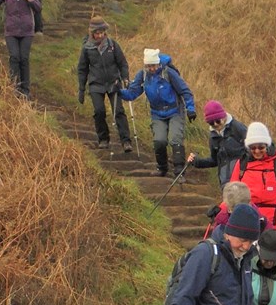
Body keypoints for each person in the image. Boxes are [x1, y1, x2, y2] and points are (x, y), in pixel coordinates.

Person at [121, 49, 195, 177]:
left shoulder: (169, 73)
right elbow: (132, 94)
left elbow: (185, 91)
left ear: (158, 64)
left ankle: (179, 170)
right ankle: (162, 168)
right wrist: (118, 91)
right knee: (159, 141)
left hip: (175, 111)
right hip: (157, 113)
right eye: (149, 66)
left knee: (175, 139)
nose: (152, 69)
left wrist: (190, 109)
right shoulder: (143, 75)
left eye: (153, 66)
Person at [228, 122, 276, 247]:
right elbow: (231, 196)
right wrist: (220, 211)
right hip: (247, 222)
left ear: (267, 145)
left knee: (273, 261)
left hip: (274, 225)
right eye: (253, 148)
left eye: (261, 147)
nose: (257, 151)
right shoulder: (241, 165)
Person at [77, 19, 133, 152]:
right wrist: (81, 89)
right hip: (96, 84)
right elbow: (82, 69)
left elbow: (122, 63)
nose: (100, 36)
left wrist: (125, 78)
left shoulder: (113, 45)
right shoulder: (87, 48)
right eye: (97, 33)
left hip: (114, 83)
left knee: (118, 111)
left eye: (102, 33)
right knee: (99, 111)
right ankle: (103, 139)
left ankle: (126, 141)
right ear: (92, 33)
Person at [187, 100, 247, 187]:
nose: (215, 124)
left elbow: (252, 150)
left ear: (223, 117)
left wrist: (243, 168)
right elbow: (215, 160)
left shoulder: (238, 128)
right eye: (211, 123)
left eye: (218, 121)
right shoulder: (213, 137)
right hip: (225, 183)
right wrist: (196, 161)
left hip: (243, 180)